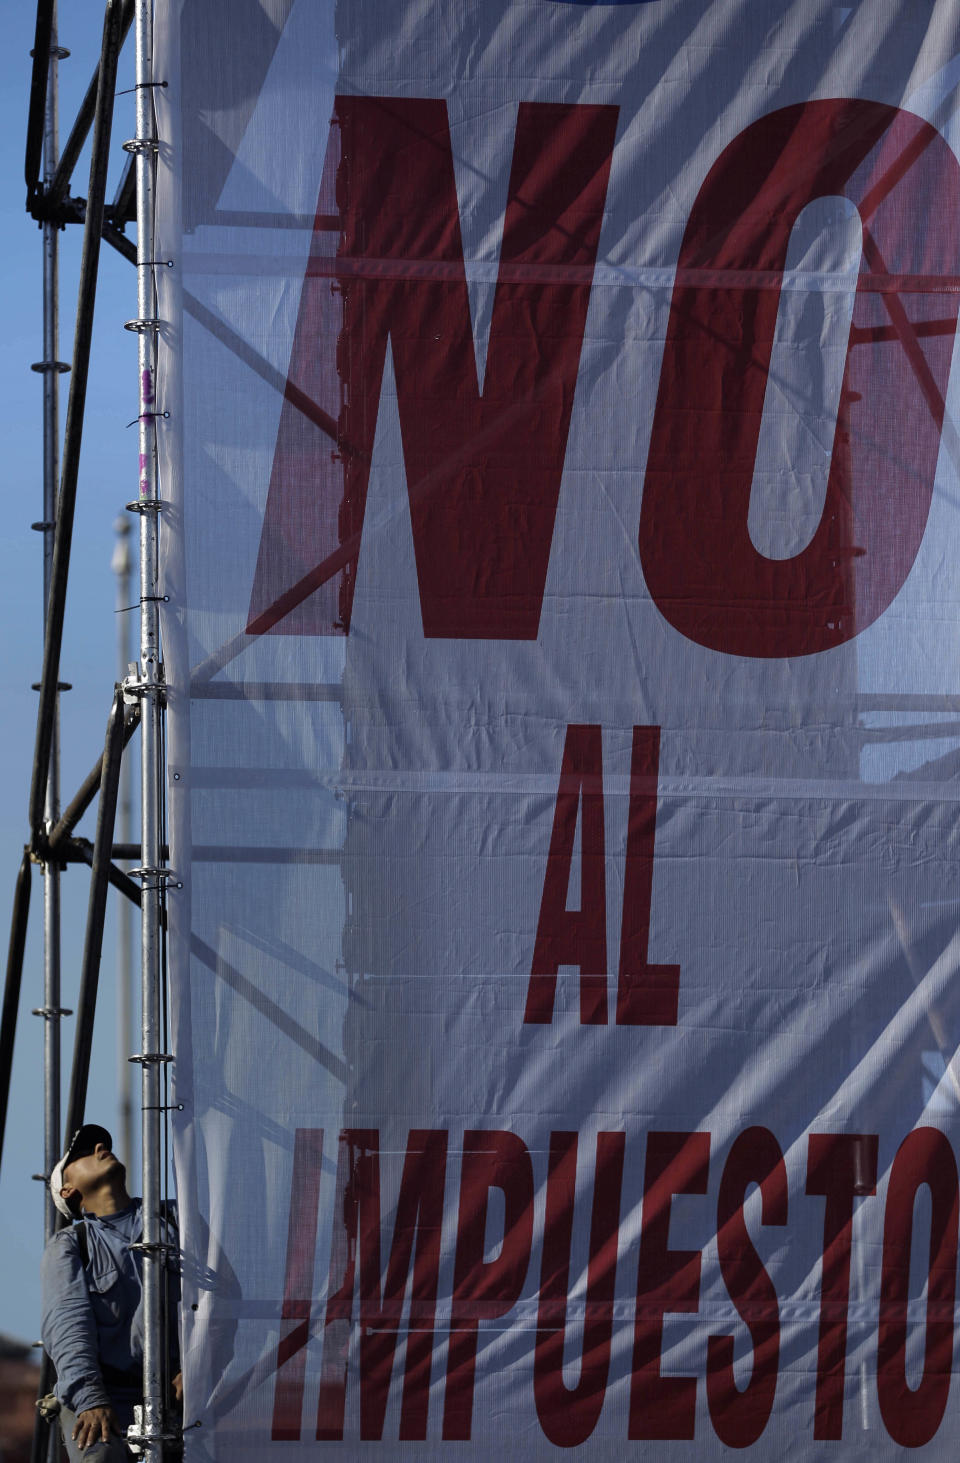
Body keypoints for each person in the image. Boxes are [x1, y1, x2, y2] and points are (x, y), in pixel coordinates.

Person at [40, 1123, 181, 1461]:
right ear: (68, 1191)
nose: (101, 1146)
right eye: (84, 1154)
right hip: (106, 1390)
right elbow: (68, 1328)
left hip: (181, 1390)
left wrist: (201, 1367)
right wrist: (91, 1399)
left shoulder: (177, 1217)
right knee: (101, 1456)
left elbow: (221, 1297)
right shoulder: (73, 1245)